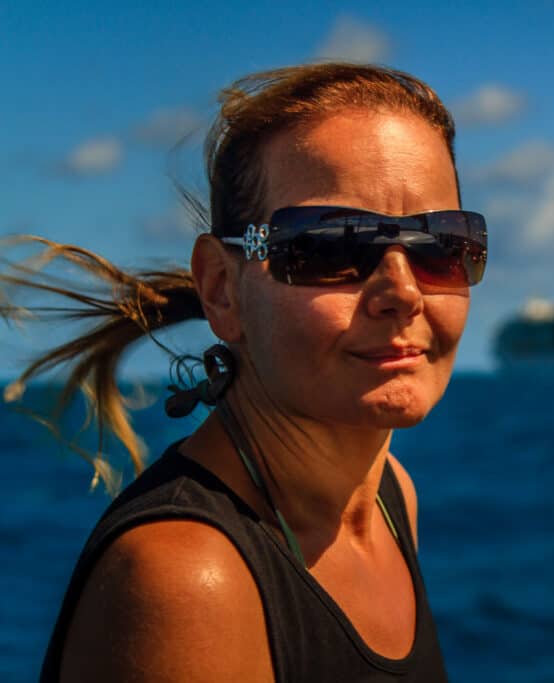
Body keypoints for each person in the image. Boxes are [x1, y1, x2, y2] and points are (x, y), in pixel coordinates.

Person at [9, 62, 487, 682]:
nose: (402, 292)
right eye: (330, 247)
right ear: (222, 289)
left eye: (440, 245)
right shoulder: (188, 580)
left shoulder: (392, 497)